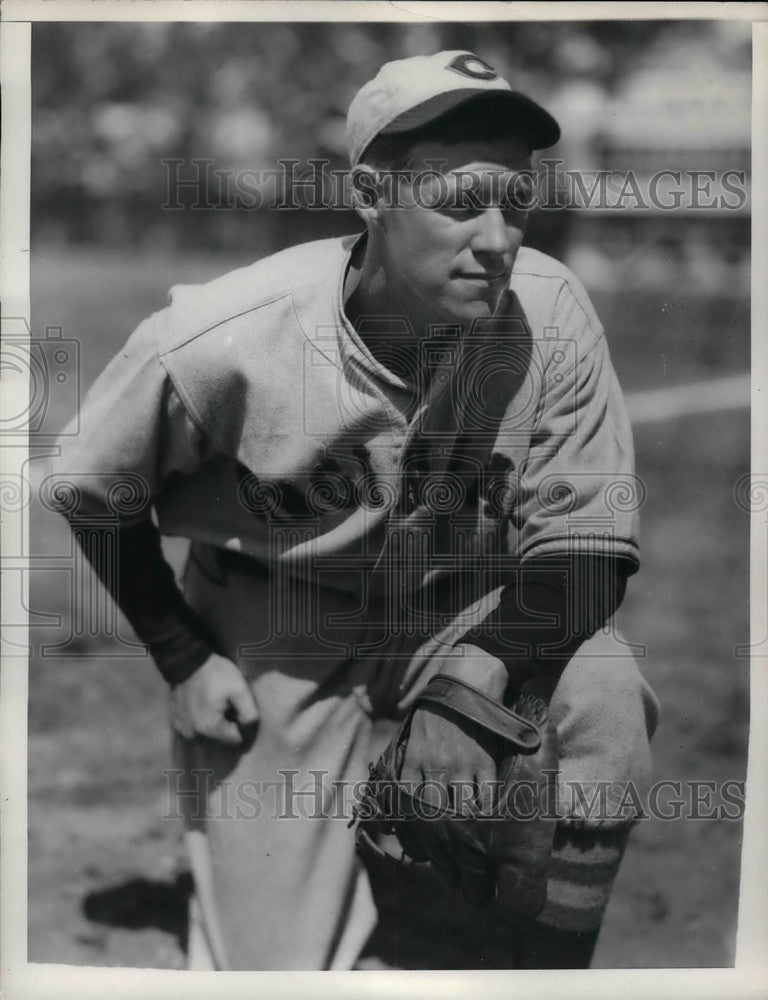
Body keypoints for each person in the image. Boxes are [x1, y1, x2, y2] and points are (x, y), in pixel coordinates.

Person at [53, 50, 659, 970]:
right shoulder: (227, 336)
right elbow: (95, 486)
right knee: (277, 973)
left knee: (601, 694)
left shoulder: (551, 310)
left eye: (517, 203)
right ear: (372, 193)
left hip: (456, 609)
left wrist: (469, 694)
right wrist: (181, 656)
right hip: (276, 616)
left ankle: (547, 974)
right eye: (461, 201)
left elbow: (587, 550)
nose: (499, 239)